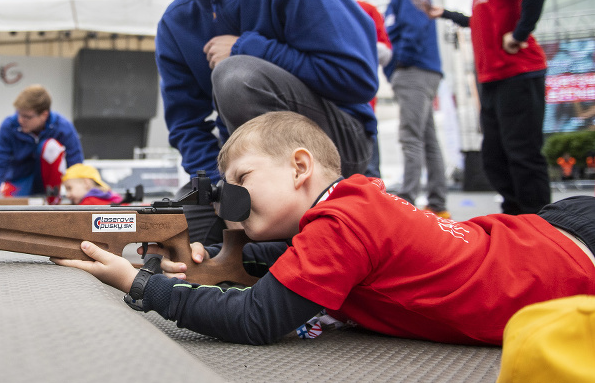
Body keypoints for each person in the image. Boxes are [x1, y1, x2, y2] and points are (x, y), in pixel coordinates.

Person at [53, 111, 595, 346]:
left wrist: (142, 284)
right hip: (542, 234)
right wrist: (216, 264)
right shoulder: (354, 203)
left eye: (242, 177)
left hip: (572, 258)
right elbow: (292, 267)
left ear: (299, 167)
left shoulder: (342, 223)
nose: (232, 197)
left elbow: (257, 319)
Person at [137, 0, 378, 240]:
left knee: (236, 76)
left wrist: (250, 47)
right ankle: (255, 222)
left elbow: (357, 79)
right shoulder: (175, 24)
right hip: (247, 168)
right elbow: (186, 125)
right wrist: (220, 191)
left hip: (340, 150)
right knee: (183, 238)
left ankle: (303, 222)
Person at [427, 0, 551, 215]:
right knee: (496, 157)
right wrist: (449, 14)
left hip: (518, 74)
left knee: (522, 155)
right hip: (494, 79)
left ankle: (539, 226)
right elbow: (482, 21)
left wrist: (520, 34)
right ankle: (516, 220)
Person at [373, 0, 450, 218]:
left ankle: (406, 198)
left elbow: (415, 28)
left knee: (410, 136)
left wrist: (398, 64)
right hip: (420, 71)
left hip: (414, 72)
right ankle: (438, 203)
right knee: (427, 138)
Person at [317, 0, 393, 178]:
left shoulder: (368, 10)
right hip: (323, 105)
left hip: (362, 107)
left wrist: (353, 44)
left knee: (368, 173)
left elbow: (386, 52)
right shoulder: (316, 10)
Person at [0, 85, 83, 204]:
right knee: (12, 212)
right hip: (19, 181)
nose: (20, 120)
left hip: (49, 183)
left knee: (50, 147)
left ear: (44, 115)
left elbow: (76, 167)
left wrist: (80, 198)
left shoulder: (63, 128)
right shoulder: (8, 127)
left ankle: (52, 199)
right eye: (19, 114)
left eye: (26, 117)